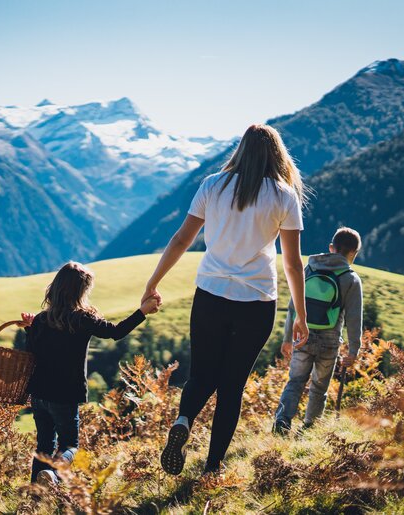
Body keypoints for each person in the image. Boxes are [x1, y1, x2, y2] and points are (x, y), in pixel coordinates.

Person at [144, 124, 309, 478]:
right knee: (232, 385)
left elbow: (180, 240)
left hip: (210, 295)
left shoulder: (212, 185)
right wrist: (301, 315)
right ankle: (212, 468)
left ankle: (184, 420)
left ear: (240, 150)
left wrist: (153, 283)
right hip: (257, 300)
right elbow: (293, 264)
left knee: (202, 373)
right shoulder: (284, 196)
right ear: (276, 154)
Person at [19, 261, 160, 485]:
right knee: (70, 446)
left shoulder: (42, 319)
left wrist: (30, 328)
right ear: (81, 291)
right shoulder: (82, 319)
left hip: (39, 394)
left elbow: (32, 351)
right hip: (64, 394)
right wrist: (142, 311)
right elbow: (116, 332)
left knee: (43, 446)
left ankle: (36, 493)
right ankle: (54, 476)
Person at [273, 227, 363, 434]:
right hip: (330, 341)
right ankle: (310, 427)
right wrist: (353, 351)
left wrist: (287, 338)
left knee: (295, 381)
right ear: (354, 254)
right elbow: (354, 318)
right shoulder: (351, 278)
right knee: (319, 387)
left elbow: (293, 306)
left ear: (331, 248)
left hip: (302, 335)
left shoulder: (309, 269)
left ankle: (282, 421)